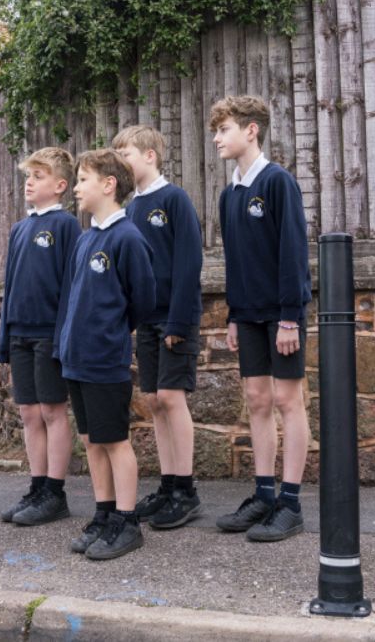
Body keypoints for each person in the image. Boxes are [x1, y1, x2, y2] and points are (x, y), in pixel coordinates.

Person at [210, 96, 312, 543]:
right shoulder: (229, 194)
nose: (217, 139)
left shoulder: (277, 182)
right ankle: (264, 495)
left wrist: (290, 317)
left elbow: (293, 251)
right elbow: (235, 261)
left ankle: (291, 503)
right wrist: (234, 314)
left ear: (251, 130)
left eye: (224, 129)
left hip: (281, 315)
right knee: (256, 399)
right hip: (248, 314)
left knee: (289, 400)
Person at [55, 149, 156, 560]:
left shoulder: (127, 237)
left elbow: (143, 300)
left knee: (114, 441)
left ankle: (127, 523)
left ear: (109, 184)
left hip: (105, 359)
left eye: (83, 180)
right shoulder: (85, 240)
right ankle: (104, 514)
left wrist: (109, 333)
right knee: (91, 440)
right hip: (76, 358)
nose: (76, 188)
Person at [113, 126, 205, 530]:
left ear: (150, 155)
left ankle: (186, 490)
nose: (121, 163)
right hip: (147, 320)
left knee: (171, 396)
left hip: (174, 317)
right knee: (153, 400)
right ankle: (168, 487)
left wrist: (179, 319)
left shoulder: (174, 199)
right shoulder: (131, 208)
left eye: (127, 155)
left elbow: (188, 262)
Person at [0, 148, 81, 526]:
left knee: (52, 410)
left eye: (39, 176)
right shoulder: (19, 229)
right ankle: (37, 487)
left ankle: (55, 493)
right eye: (28, 175)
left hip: (49, 334)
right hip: (19, 333)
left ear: (60, 185)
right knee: (29, 413)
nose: (29, 182)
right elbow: (10, 285)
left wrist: (63, 337)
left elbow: (72, 286)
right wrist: (4, 335)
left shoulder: (66, 226)